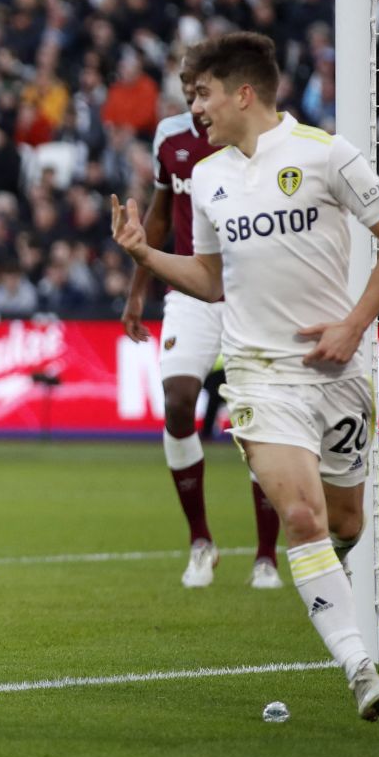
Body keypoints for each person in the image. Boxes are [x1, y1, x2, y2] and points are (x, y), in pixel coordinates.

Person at [112, 31, 379, 722]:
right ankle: (361, 670)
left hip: (341, 367)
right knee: (300, 515)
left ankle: (323, 582)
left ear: (243, 92)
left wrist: (355, 325)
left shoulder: (328, 155)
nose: (194, 109)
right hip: (259, 371)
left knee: (344, 520)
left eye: (202, 95)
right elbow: (209, 278)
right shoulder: (206, 176)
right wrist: (147, 253)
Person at [122, 54, 281, 590]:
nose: (194, 99)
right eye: (188, 88)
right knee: (177, 402)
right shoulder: (170, 138)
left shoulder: (248, 134)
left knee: (258, 419)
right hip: (191, 288)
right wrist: (138, 290)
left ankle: (266, 556)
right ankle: (200, 542)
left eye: (201, 88)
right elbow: (162, 213)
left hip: (247, 289)